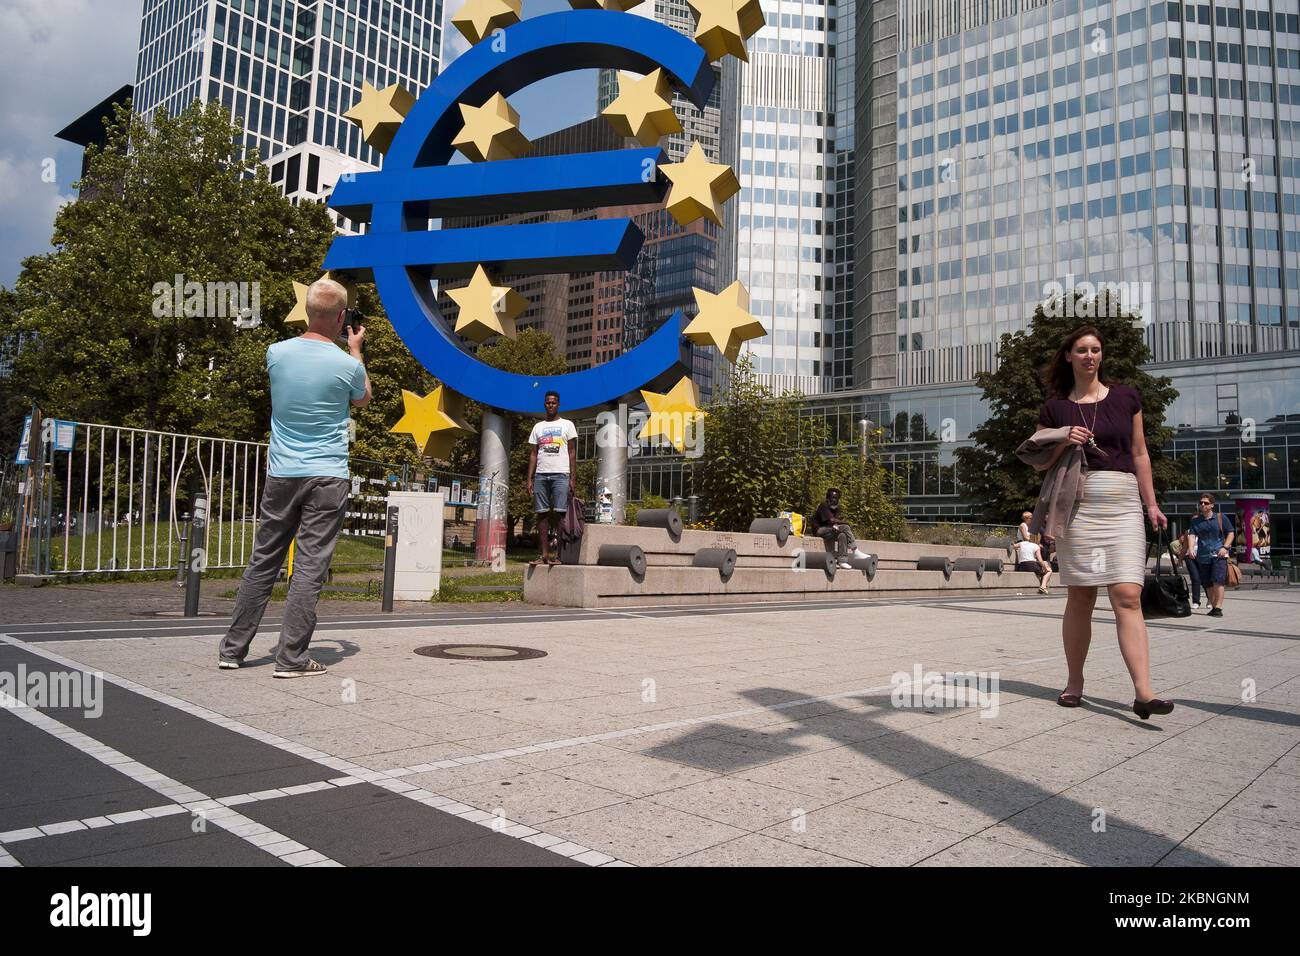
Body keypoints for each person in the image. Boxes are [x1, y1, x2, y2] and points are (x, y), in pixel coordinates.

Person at [218, 278, 370, 677]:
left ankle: (232, 650)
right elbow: (363, 397)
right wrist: (355, 350)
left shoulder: (276, 353)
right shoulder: (346, 365)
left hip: (282, 472)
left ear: (306, 311)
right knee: (309, 567)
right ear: (342, 317)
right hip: (327, 475)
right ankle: (291, 658)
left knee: (263, 561)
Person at [1024, 325, 1173, 720]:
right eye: (1082, 350)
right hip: (1078, 505)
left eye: (1096, 350)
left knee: (1126, 594)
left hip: (1122, 502)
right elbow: (1037, 456)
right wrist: (1063, 437)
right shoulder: (1055, 408)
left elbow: (1140, 454)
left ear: (1101, 356)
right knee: (1082, 595)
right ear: (1069, 356)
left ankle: (1144, 692)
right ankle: (1075, 682)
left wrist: (1151, 504)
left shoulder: (1125, 397)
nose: (1090, 355)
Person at [527, 390, 576, 566]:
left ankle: (559, 556)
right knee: (541, 514)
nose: (550, 405)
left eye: (554, 402)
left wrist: (572, 477)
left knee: (561, 514)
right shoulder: (537, 427)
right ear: (544, 404)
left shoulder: (567, 425)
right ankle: (544, 555)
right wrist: (529, 478)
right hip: (541, 475)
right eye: (548, 402)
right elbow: (533, 453)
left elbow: (571, 452)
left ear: (559, 404)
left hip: (561, 474)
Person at [1187, 493, 1234, 618]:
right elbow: (1191, 535)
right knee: (1207, 583)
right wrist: (1191, 548)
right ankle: (1214, 606)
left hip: (1219, 555)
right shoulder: (1196, 521)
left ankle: (1218, 607)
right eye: (1201, 503)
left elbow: (1230, 533)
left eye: (1206, 503)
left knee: (1218, 581)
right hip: (1203, 556)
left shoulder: (1220, 517)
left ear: (1212, 505)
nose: (1203, 505)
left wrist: (1225, 547)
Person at [808, 488, 872, 568]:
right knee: (845, 527)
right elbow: (832, 520)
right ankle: (855, 550)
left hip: (829, 531)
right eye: (832, 497)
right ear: (827, 498)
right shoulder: (823, 505)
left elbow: (835, 523)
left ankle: (842, 561)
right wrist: (845, 523)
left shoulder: (837, 508)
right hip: (819, 530)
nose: (834, 500)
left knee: (842, 535)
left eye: (836, 498)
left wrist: (836, 526)